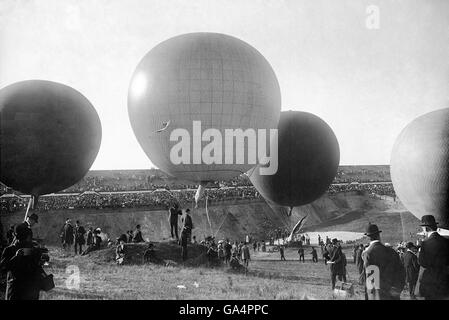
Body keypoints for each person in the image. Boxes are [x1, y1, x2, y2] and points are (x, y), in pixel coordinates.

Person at [0, 224, 46, 300]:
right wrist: (16, 257)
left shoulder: (33, 250)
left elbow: (3, 268)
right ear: (28, 236)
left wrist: (40, 261)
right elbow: (3, 268)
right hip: (21, 290)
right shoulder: (10, 250)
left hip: (23, 290)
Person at [362, 224, 405, 300]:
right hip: (393, 293)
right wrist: (397, 289)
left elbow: (371, 279)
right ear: (379, 235)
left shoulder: (368, 253)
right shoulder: (392, 251)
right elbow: (401, 272)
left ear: (368, 238)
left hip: (378, 295)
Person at [416, 215, 449, 300]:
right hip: (445, 281)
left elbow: (422, 263)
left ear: (426, 228)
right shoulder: (446, 242)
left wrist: (420, 251)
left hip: (430, 283)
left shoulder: (425, 244)